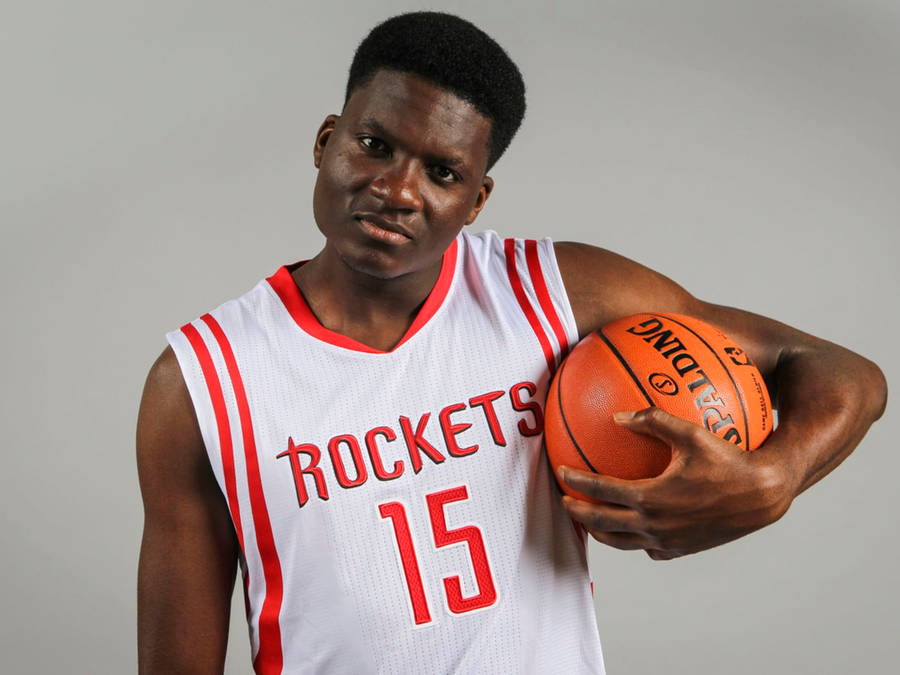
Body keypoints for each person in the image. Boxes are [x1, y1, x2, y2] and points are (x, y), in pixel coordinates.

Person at [136, 11, 886, 675]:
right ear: (327, 141)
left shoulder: (555, 293)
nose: (399, 190)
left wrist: (773, 478)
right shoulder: (203, 381)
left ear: (475, 199)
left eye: (441, 172)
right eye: (374, 144)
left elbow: (841, 373)